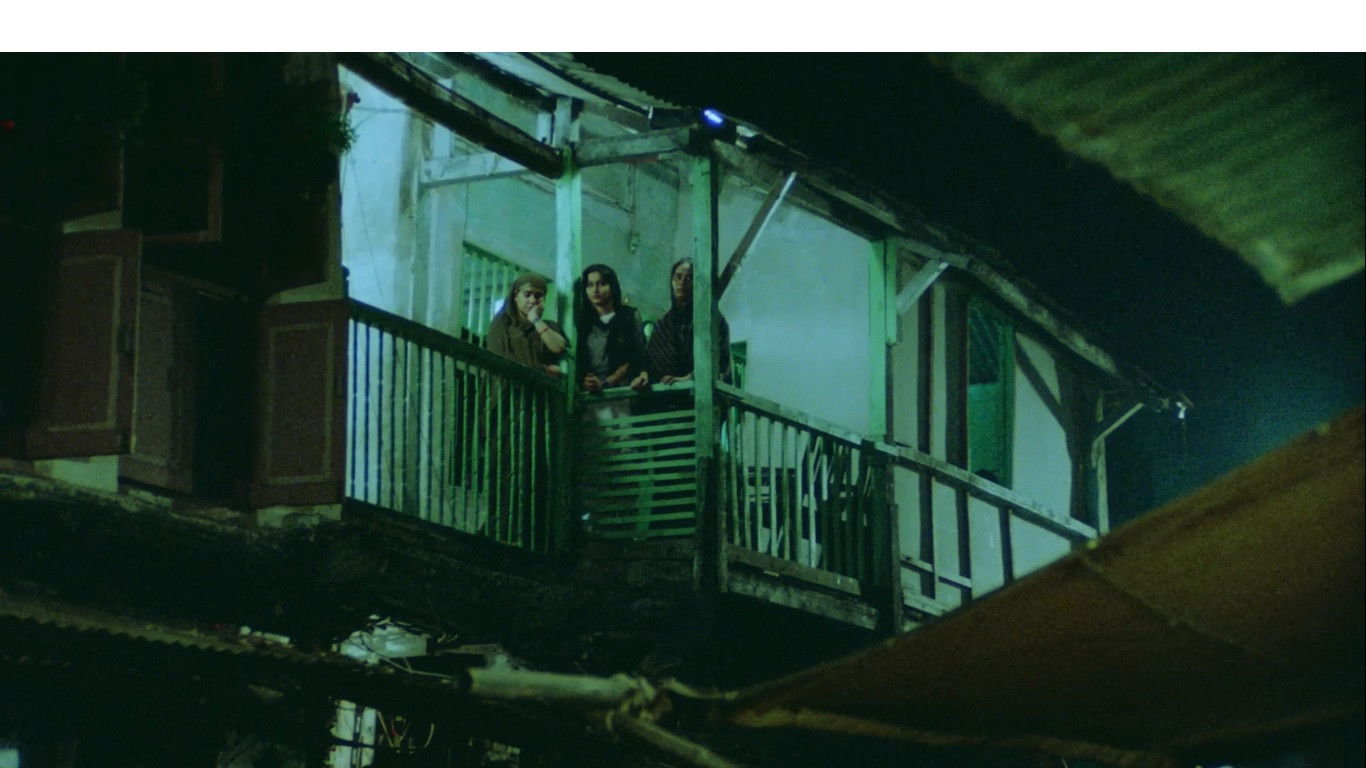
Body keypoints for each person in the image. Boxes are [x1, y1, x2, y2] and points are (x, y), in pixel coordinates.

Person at [637, 258, 731, 390]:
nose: (681, 282)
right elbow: (649, 363)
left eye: (689, 278)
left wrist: (686, 379)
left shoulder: (712, 319)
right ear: (671, 281)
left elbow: (718, 362)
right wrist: (644, 375)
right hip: (667, 396)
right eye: (678, 277)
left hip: (699, 395)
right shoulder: (663, 324)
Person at [575, 263, 647, 395]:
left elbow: (636, 357)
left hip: (622, 392)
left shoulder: (629, 316)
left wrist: (605, 383)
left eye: (602, 283)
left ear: (613, 286)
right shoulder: (584, 323)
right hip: (590, 396)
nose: (595, 289)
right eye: (590, 285)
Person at [485, 272, 568, 376]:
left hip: (536, 386)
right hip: (507, 383)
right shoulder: (502, 321)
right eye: (527, 294)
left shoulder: (548, 325)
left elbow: (559, 347)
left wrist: (536, 320)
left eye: (538, 296)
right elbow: (498, 358)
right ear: (515, 296)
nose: (532, 300)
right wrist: (544, 370)